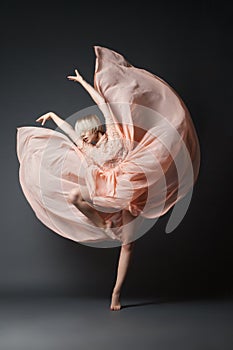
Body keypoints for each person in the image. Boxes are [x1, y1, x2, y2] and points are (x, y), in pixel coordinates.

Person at [16, 45, 200, 312]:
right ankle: (102, 221)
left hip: (131, 188)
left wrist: (84, 84)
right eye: (80, 137)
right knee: (75, 196)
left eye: (84, 134)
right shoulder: (87, 149)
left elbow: (103, 105)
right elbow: (68, 132)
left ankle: (116, 294)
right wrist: (55, 116)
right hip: (104, 190)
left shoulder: (113, 133)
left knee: (127, 247)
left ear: (93, 129)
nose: (81, 140)